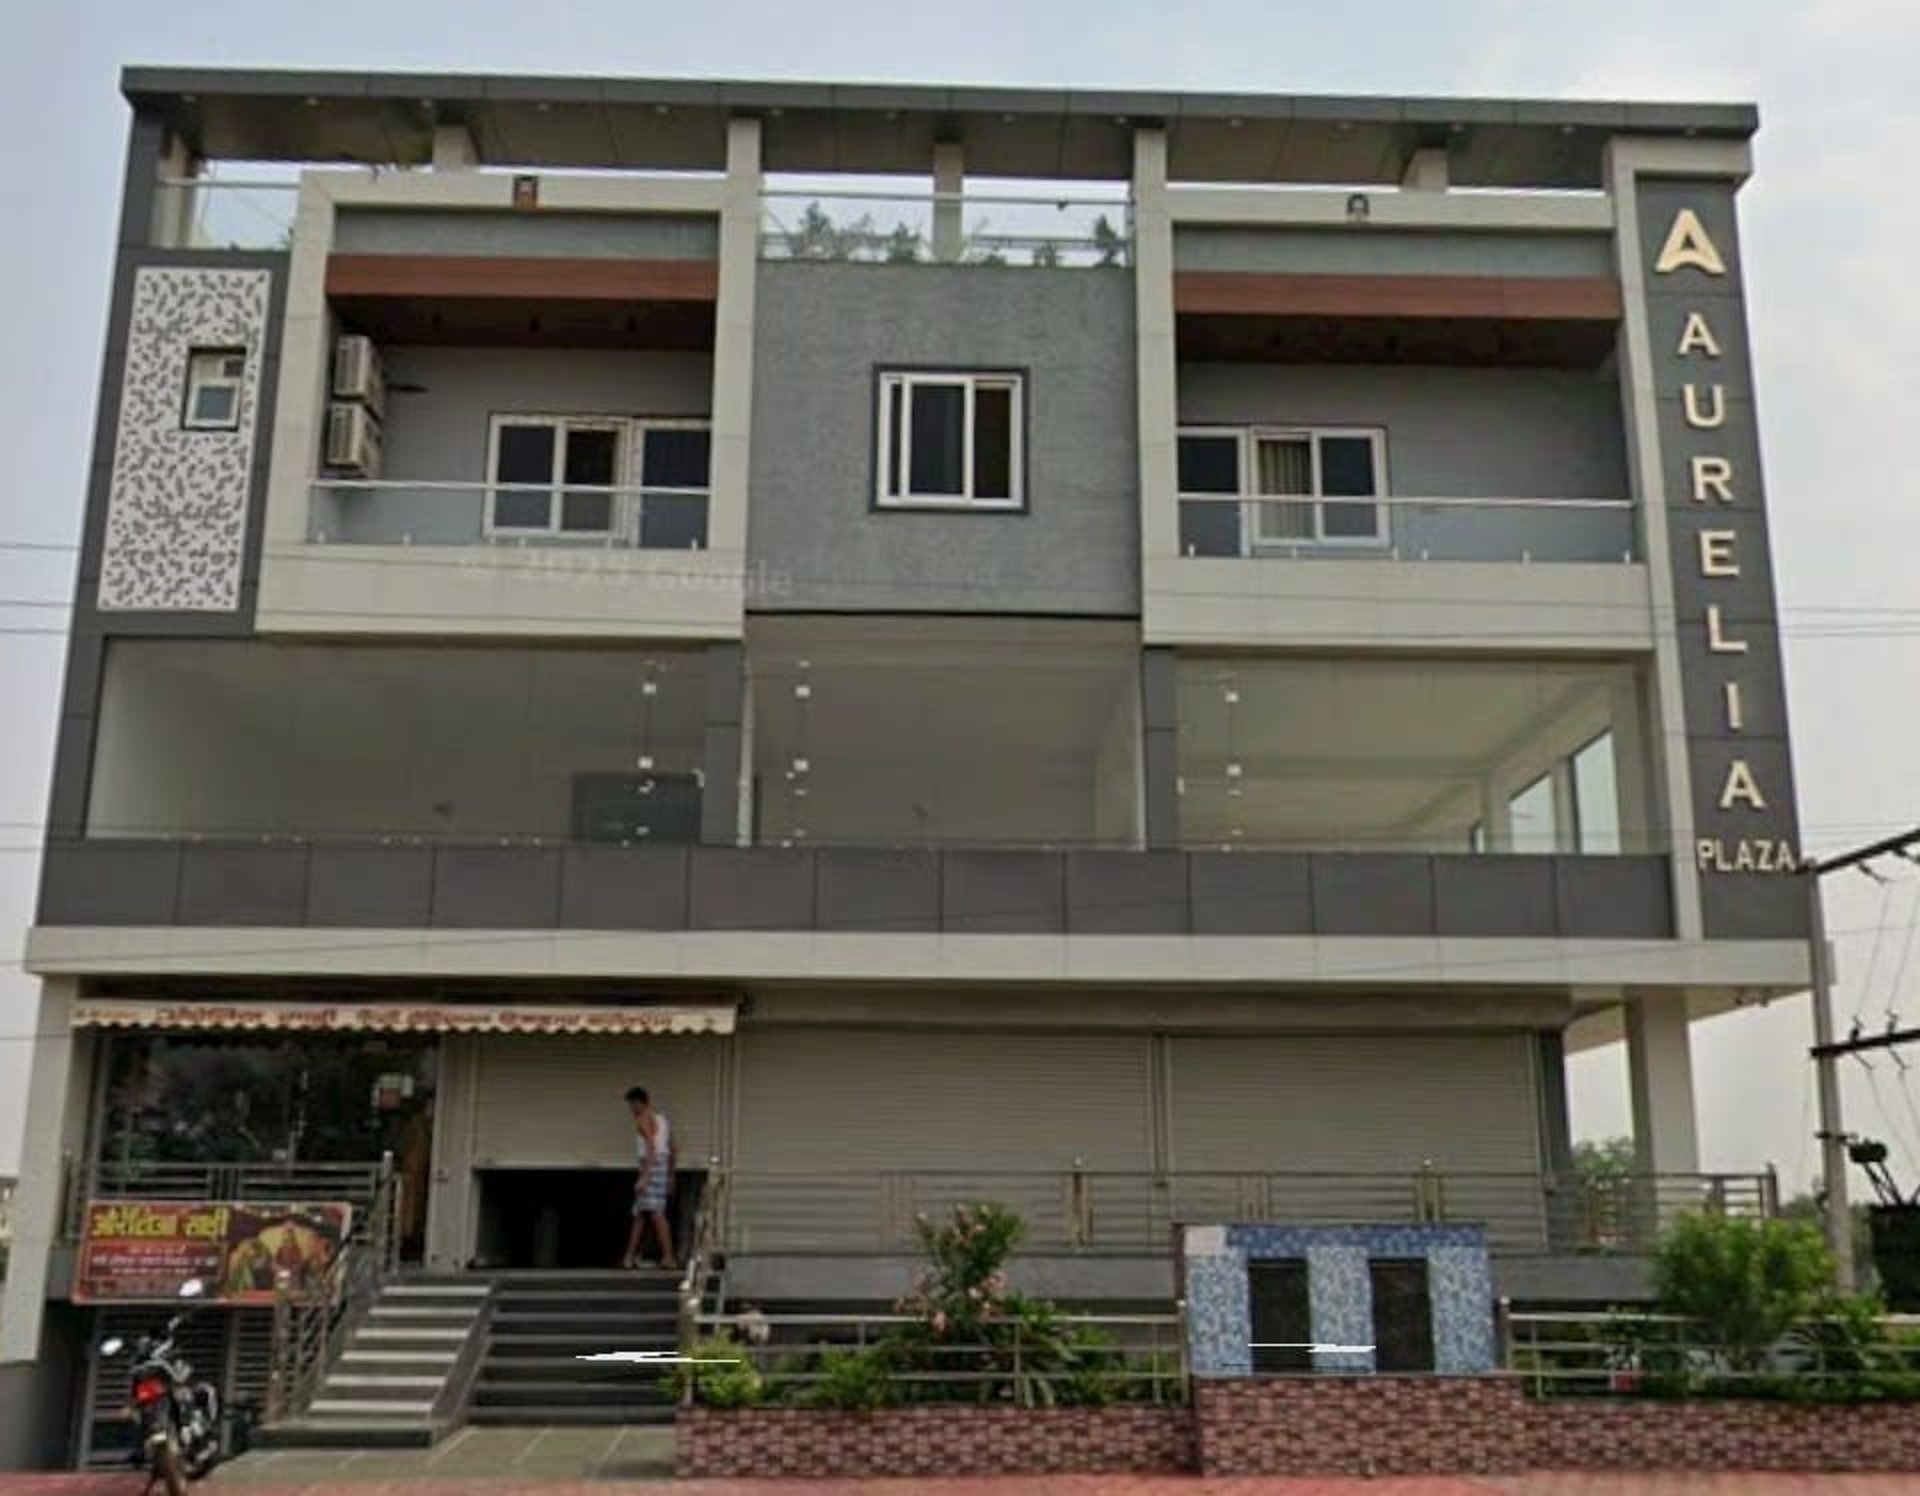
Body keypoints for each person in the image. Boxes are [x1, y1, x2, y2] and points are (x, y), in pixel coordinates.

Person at [621, 1085, 678, 1271]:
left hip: (651, 1166)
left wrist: (645, 1176)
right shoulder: (663, 1120)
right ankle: (629, 1256)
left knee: (656, 1214)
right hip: (660, 1167)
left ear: (639, 1103)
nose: (631, 1109)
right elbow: (673, 1148)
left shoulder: (643, 1119)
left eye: (632, 1105)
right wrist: (670, 1175)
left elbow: (651, 1147)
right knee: (640, 1213)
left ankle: (668, 1256)